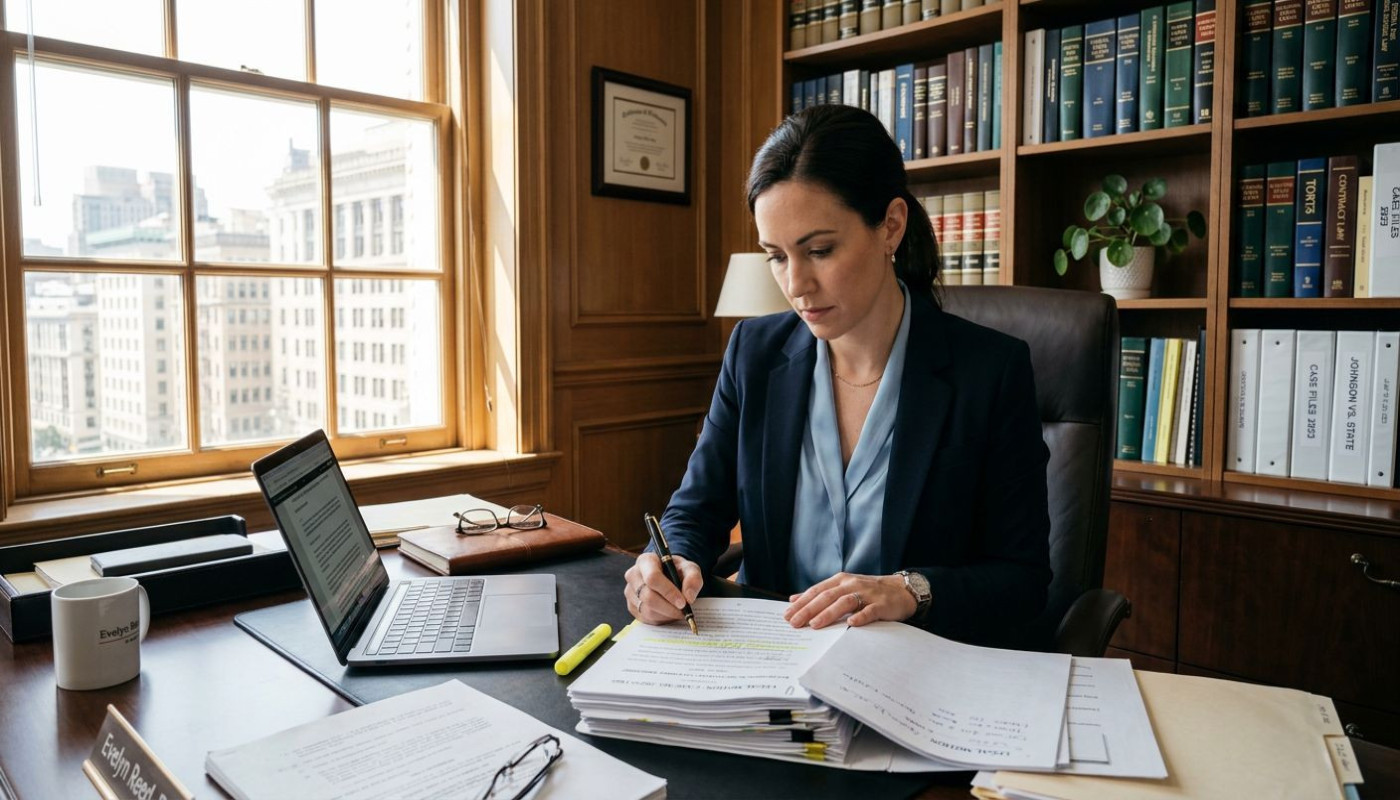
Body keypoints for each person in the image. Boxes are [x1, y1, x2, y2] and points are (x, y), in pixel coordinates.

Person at [623, 104, 1051, 648]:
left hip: (915, 668)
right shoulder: (753, 352)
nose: (796, 283)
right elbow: (697, 507)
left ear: (890, 226)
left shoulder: (990, 371)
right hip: (768, 659)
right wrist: (669, 560)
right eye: (776, 257)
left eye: (819, 250)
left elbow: (1023, 581)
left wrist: (911, 589)